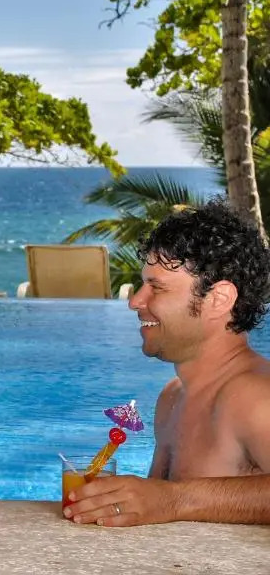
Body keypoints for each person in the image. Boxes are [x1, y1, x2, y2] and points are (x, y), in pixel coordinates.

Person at [65, 200, 270, 526]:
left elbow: (171, 502)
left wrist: (175, 500)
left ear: (218, 299)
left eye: (156, 288)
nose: (135, 301)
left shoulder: (255, 396)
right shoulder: (172, 397)